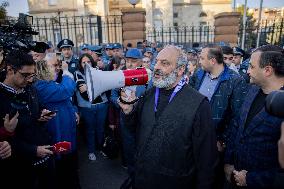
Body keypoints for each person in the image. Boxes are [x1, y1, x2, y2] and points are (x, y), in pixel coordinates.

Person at [118, 45, 218, 189]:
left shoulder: (199, 104)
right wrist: (128, 111)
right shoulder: (148, 94)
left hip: (176, 182)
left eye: (165, 63)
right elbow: (134, 129)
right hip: (143, 179)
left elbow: (206, 158)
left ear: (180, 69)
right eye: (157, 61)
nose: (156, 67)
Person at [224, 46, 284, 188]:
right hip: (234, 176)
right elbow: (236, 125)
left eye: (251, 66)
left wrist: (251, 179)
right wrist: (228, 161)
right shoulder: (252, 89)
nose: (248, 71)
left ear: (267, 70)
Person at [0, 50, 56, 189]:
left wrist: (43, 114)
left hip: (44, 154)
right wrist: (33, 150)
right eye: (25, 75)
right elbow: (4, 139)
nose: (30, 79)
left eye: (32, 75)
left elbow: (38, 107)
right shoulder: (1, 98)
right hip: (20, 167)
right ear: (10, 70)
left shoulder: (30, 88)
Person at [34, 56, 80, 189]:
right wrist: (66, 72)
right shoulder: (40, 86)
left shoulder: (52, 82)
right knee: (63, 172)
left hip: (68, 135)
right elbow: (66, 91)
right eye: (54, 65)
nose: (58, 68)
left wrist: (74, 110)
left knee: (71, 169)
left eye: (59, 66)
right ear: (43, 68)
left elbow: (67, 100)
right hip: (58, 137)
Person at [74, 53, 109, 161]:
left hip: (102, 105)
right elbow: (83, 92)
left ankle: (100, 148)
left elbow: (105, 86)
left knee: (101, 129)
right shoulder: (77, 73)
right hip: (87, 107)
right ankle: (91, 151)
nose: (86, 64)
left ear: (92, 62)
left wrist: (90, 86)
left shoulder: (98, 71)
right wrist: (97, 85)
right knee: (90, 130)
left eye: (88, 62)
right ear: (80, 64)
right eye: (83, 62)